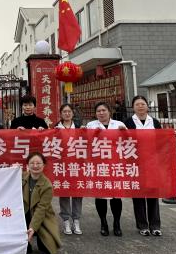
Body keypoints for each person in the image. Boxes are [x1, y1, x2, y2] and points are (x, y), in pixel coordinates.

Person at [124, 95, 164, 237]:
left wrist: (172, 138)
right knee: (138, 195)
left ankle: (155, 225)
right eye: (137, 104)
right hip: (135, 163)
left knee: (153, 194)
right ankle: (142, 225)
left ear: (147, 106)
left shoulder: (155, 122)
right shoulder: (128, 122)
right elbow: (123, 142)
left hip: (152, 163)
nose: (140, 106)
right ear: (133, 107)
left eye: (142, 104)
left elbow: (161, 141)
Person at [86, 101, 127, 237]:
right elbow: (84, 143)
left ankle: (117, 223)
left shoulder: (119, 125)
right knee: (101, 196)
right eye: (98, 111)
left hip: (116, 165)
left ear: (110, 111)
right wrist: (93, 135)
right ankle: (103, 223)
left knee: (116, 196)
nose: (101, 113)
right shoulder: (91, 125)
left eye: (104, 110)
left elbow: (129, 143)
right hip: (99, 165)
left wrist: (125, 133)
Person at [22, 152, 61, 254]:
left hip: (41, 215)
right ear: (27, 165)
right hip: (24, 213)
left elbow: (41, 209)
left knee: (47, 249)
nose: (35, 166)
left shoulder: (47, 185)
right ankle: (25, 244)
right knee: (23, 249)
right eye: (32, 163)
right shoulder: (22, 177)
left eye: (38, 163)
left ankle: (39, 236)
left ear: (43, 165)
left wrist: (32, 228)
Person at [55, 103, 83, 235]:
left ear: (73, 113)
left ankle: (76, 220)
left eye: (69, 111)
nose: (67, 114)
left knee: (77, 193)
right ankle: (66, 220)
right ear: (61, 114)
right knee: (64, 192)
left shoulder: (79, 127)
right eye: (64, 112)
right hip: (62, 166)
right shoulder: (56, 128)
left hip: (77, 165)